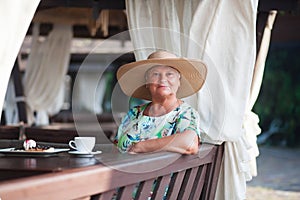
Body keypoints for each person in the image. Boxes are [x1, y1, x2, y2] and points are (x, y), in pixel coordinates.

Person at [114, 51, 207, 154]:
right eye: (156, 74)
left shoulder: (186, 113)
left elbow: (189, 144)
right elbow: (115, 147)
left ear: (179, 81)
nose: (163, 79)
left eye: (169, 74)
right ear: (147, 82)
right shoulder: (134, 113)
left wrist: (142, 146)